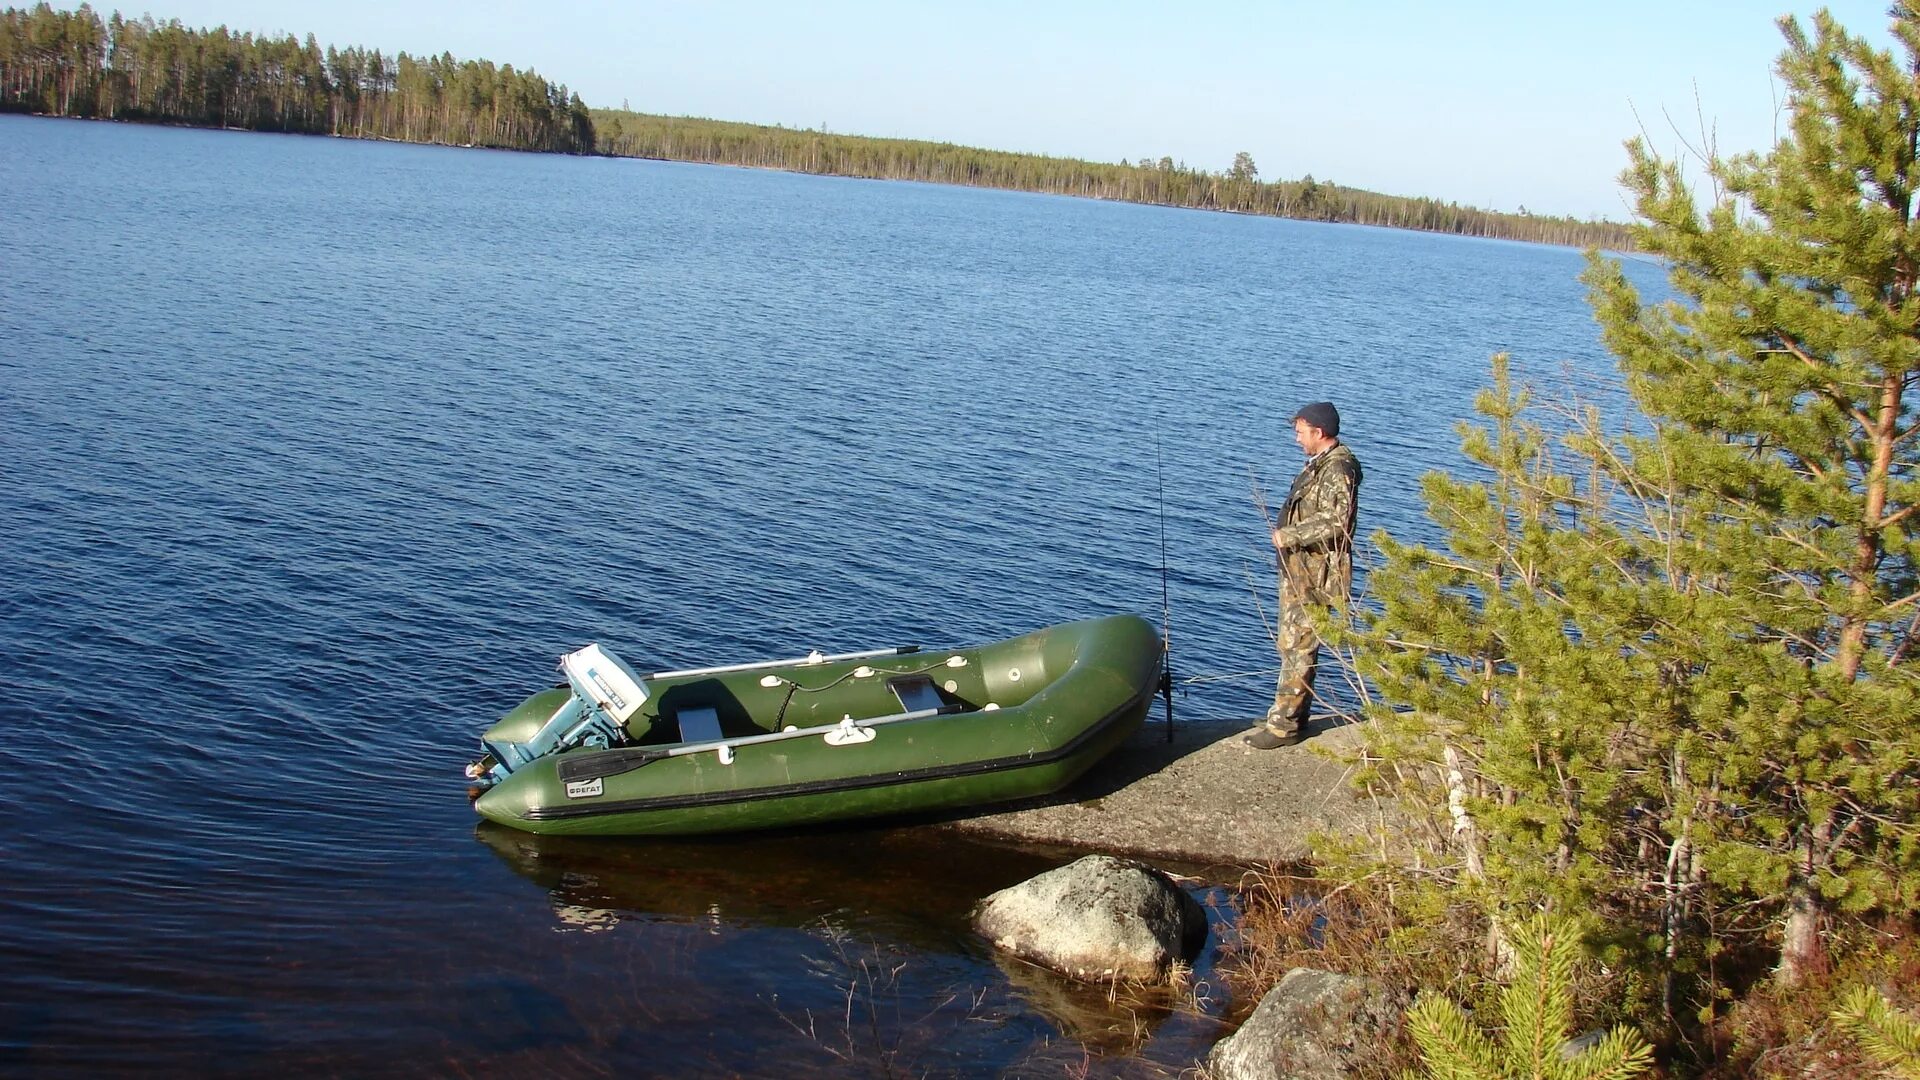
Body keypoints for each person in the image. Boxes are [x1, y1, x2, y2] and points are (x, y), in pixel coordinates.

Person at [1247, 401, 1362, 750]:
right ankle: (1292, 712)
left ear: (1319, 432)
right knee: (1292, 642)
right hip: (1301, 570)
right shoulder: (1320, 466)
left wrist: (1289, 535)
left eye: (1301, 432)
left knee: (1299, 644)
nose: (1297, 438)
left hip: (1316, 575)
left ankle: (1284, 726)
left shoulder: (1339, 470)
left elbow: (1337, 521)